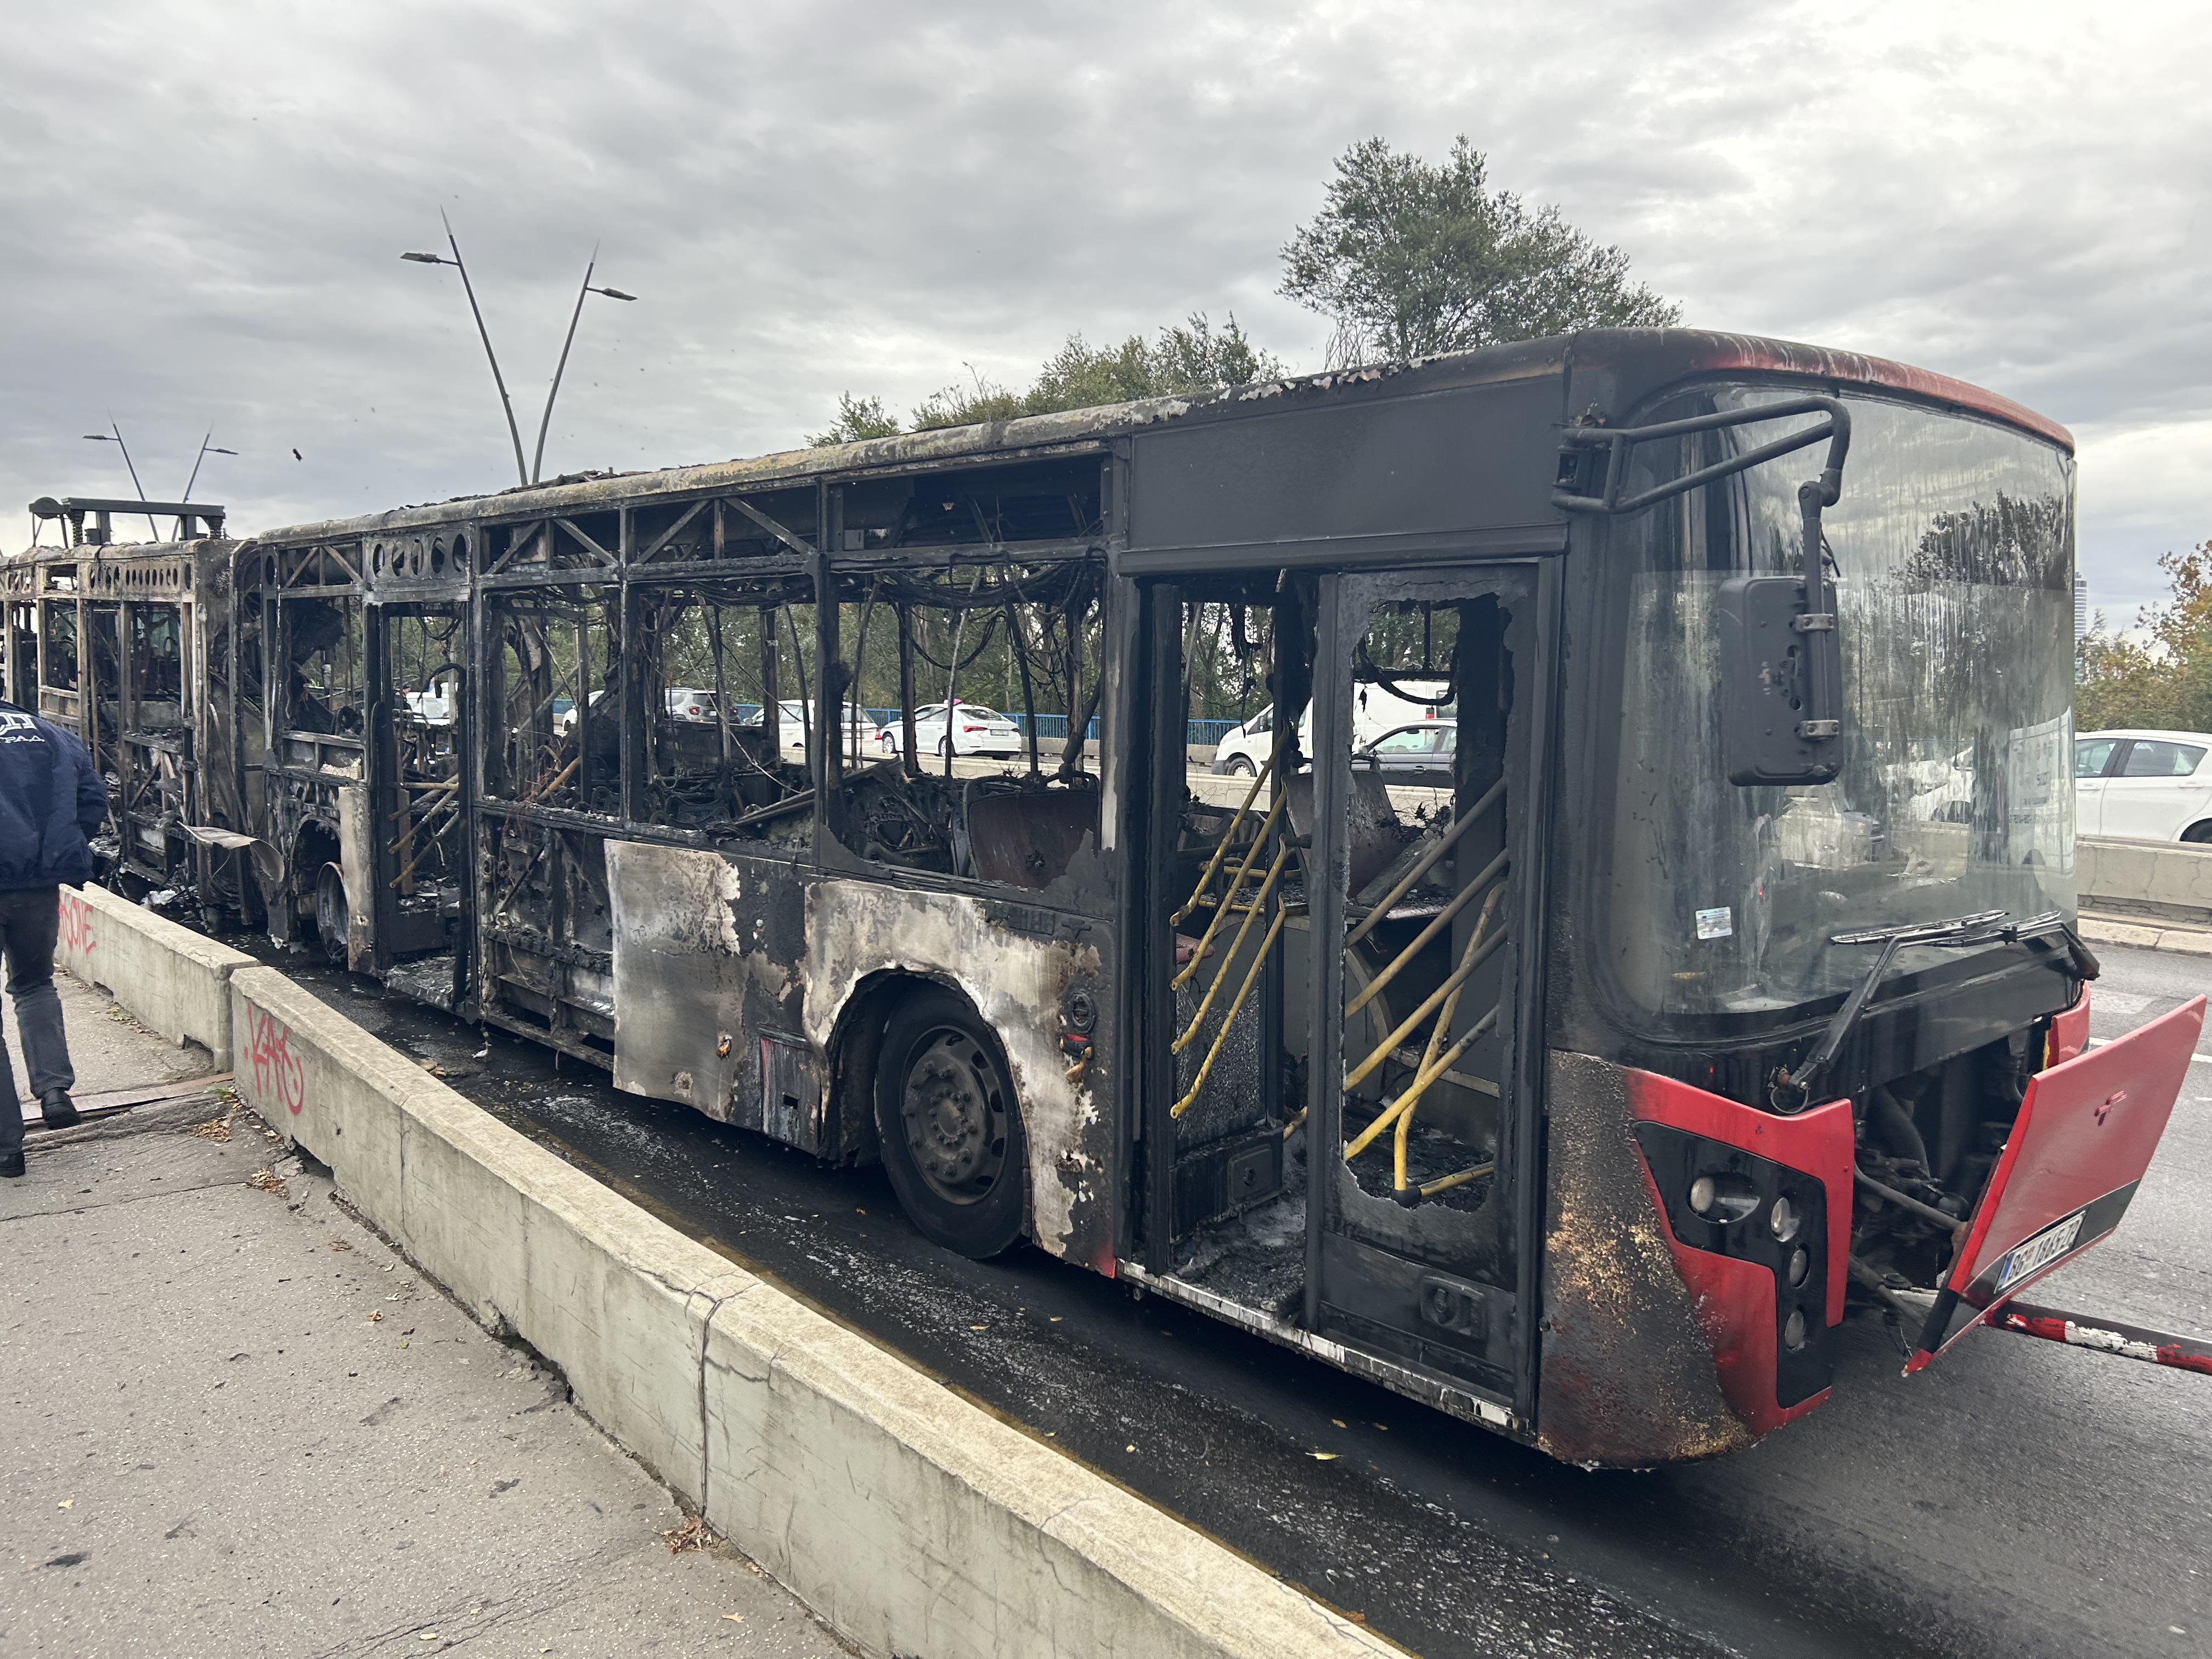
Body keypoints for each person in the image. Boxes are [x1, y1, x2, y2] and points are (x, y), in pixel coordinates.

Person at [0, 693, 108, 1177]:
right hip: (36, 887)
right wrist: (55, 856)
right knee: (35, 983)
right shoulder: (50, 734)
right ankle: (54, 1092)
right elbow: (92, 800)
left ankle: (7, 1148)